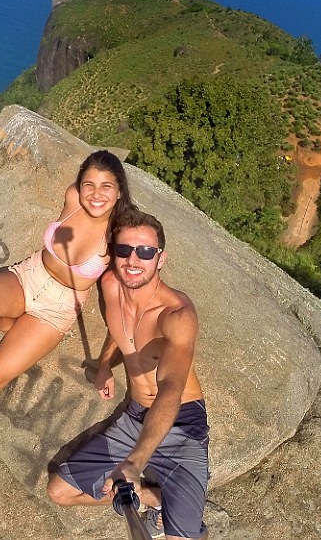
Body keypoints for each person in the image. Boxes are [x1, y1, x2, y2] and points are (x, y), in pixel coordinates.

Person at [0, 150, 135, 475]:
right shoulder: (73, 198)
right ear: (79, 184)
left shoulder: (119, 235)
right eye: (89, 184)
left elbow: (122, 305)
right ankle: (14, 326)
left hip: (55, 310)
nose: (95, 194)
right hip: (27, 276)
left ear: (119, 191)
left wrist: (104, 366)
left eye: (106, 186)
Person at [47, 209, 209, 540]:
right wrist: (105, 365)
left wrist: (134, 462)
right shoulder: (110, 285)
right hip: (135, 417)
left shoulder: (176, 314)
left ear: (161, 259)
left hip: (180, 424)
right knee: (60, 492)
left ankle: (178, 510)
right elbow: (120, 328)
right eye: (124, 250)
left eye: (145, 252)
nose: (133, 260)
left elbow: (171, 389)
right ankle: (155, 498)